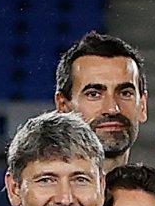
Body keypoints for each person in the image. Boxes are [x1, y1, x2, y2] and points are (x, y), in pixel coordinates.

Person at [51, 32, 148, 163]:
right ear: (63, 106)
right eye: (93, 94)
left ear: (142, 105)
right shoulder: (35, 183)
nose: (112, 109)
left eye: (125, 93)